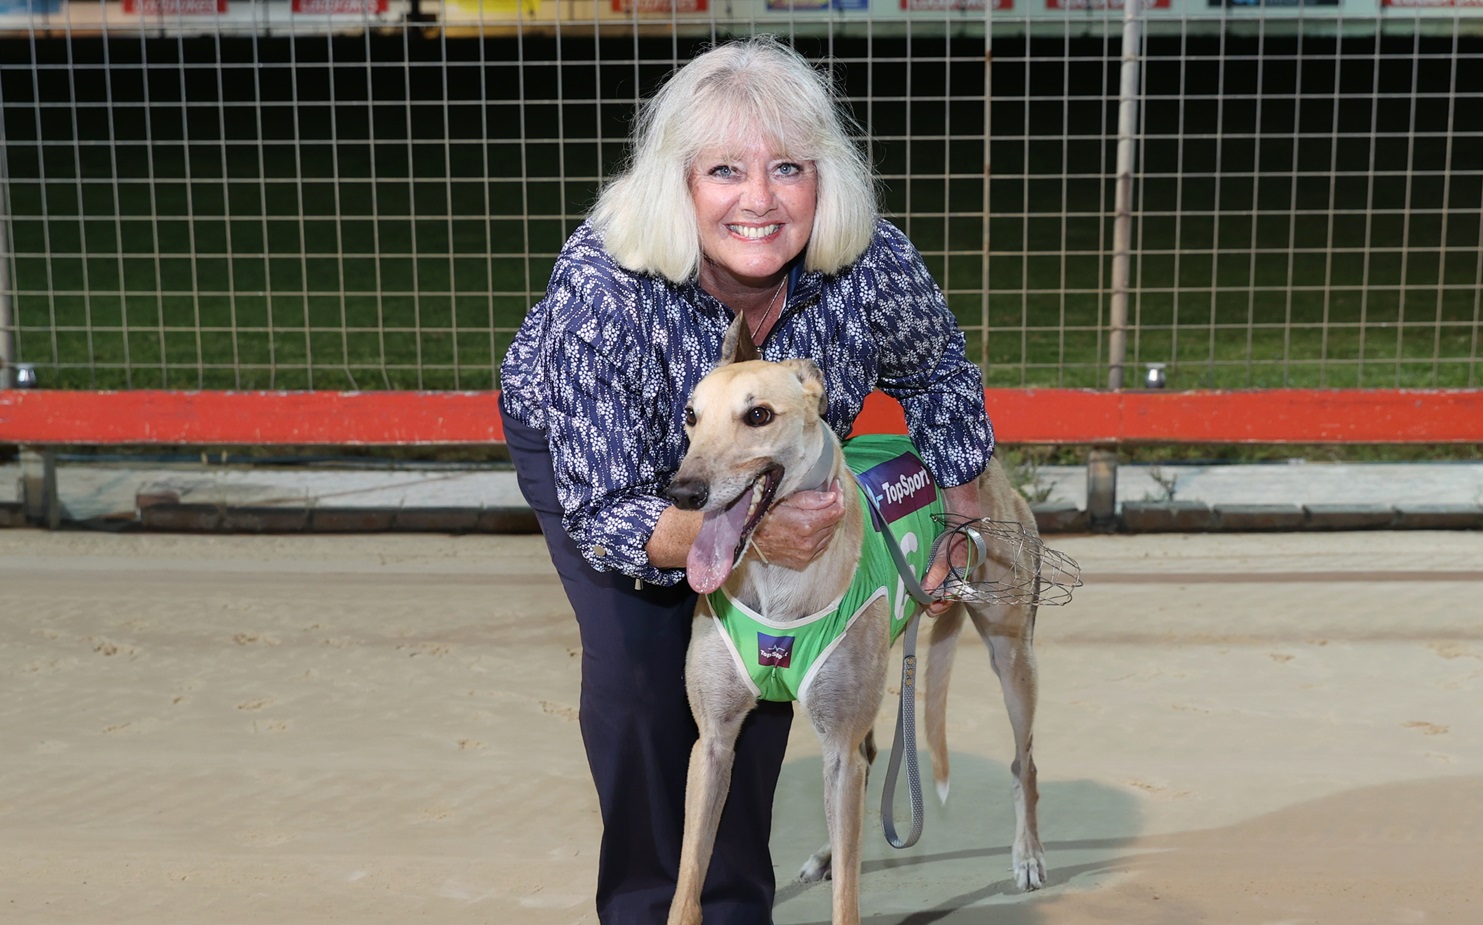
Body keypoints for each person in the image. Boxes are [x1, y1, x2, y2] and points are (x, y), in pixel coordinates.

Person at [498, 35, 994, 924]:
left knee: (771, 654)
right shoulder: (603, 289)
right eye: (724, 169)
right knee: (647, 680)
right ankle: (651, 907)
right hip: (606, 460)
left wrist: (962, 516)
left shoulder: (869, 261)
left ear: (824, 178)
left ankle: (730, 906)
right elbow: (608, 511)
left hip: (774, 461)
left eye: (788, 169)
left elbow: (938, 373)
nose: (759, 200)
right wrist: (741, 534)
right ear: (678, 183)